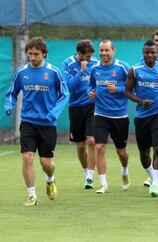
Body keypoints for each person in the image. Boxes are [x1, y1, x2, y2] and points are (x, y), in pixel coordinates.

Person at [4, 37, 69, 206]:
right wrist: (9, 104)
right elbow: (11, 93)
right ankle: (32, 196)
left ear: (44, 54)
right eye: (30, 54)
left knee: (46, 163)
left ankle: (50, 179)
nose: (32, 57)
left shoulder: (53, 72)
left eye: (36, 54)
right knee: (27, 158)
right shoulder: (21, 72)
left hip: (47, 124)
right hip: (28, 122)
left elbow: (65, 94)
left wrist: (54, 113)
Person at [125, 40, 158, 197]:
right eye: (147, 52)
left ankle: (155, 185)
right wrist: (140, 101)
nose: (150, 55)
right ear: (143, 53)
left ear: (157, 53)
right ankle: (153, 177)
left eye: (153, 52)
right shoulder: (134, 70)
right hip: (142, 116)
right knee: (144, 153)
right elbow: (127, 92)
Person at [88, 40, 130, 194]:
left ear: (113, 51)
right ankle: (103, 184)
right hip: (100, 114)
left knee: (121, 152)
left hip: (120, 115)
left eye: (107, 50)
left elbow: (132, 88)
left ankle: (124, 170)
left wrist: (118, 89)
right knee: (99, 147)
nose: (104, 53)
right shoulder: (94, 68)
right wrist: (91, 93)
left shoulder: (122, 67)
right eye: (101, 50)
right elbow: (91, 86)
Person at [63, 40, 98, 189]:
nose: (89, 60)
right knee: (80, 145)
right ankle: (86, 172)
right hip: (76, 107)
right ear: (79, 54)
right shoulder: (68, 63)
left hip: (92, 107)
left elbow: (99, 82)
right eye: (87, 57)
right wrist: (81, 71)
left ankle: (90, 176)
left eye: (91, 57)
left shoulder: (95, 63)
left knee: (91, 140)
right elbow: (69, 86)